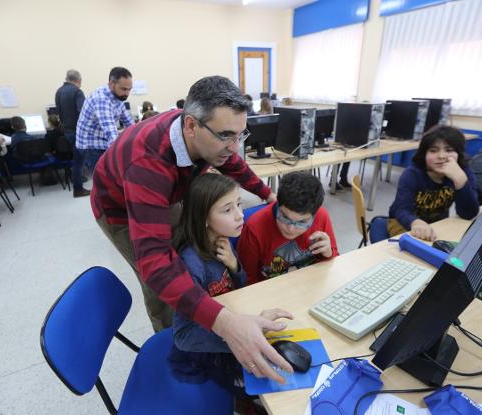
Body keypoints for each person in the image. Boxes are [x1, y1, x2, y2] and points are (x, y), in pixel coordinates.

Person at [91, 75, 293, 385]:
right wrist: (226, 324)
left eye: (240, 134)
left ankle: (204, 319)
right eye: (226, 135)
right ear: (190, 126)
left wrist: (268, 195)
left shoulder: (205, 134)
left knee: (187, 258)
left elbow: (230, 162)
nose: (235, 146)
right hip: (118, 208)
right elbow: (156, 263)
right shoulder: (147, 165)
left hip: (166, 186)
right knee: (160, 281)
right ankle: (178, 344)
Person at [169, 173, 293, 398]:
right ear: (204, 218)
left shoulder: (222, 241)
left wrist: (234, 265)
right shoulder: (191, 264)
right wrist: (238, 337)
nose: (240, 216)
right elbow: (183, 335)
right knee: (268, 385)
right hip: (208, 349)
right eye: (227, 210)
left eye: (239, 204)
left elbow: (237, 287)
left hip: (230, 321)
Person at [237, 171, 339, 285]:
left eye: (302, 222)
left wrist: (328, 253)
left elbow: (332, 263)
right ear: (277, 203)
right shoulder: (254, 228)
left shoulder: (321, 216)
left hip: (308, 285)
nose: (290, 229)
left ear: (314, 214)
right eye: (284, 217)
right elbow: (247, 281)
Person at [387, 126, 479, 241]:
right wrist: (415, 222)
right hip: (405, 222)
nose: (441, 156)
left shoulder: (463, 172)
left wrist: (460, 181)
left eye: (449, 150)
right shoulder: (412, 174)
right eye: (433, 150)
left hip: (437, 225)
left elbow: (468, 214)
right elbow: (401, 210)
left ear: (459, 154)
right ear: (424, 154)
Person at [75, 66, 134, 179]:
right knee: (103, 181)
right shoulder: (102, 100)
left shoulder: (117, 96)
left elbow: (130, 122)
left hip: (101, 140)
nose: (127, 93)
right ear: (111, 84)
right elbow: (111, 133)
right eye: (124, 89)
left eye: (129, 89)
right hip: (91, 145)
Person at [55, 69, 88, 197]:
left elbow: (58, 112)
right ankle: (78, 189)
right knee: (79, 163)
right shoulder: (77, 92)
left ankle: (78, 184)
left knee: (77, 161)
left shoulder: (59, 91)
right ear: (79, 81)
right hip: (78, 132)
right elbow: (83, 113)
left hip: (67, 131)